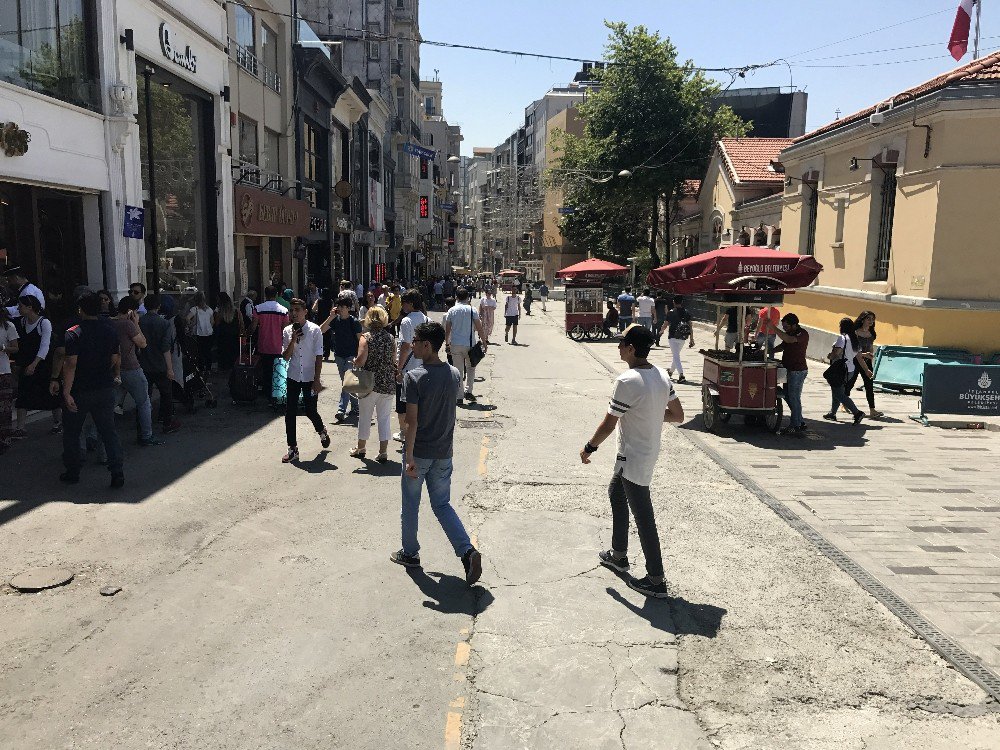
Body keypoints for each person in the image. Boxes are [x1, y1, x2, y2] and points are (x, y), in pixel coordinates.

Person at [580, 324, 684, 599]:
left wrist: (589, 447)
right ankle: (619, 554)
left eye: (622, 343)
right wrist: (647, 414)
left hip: (634, 457)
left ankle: (656, 579)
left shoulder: (627, 381)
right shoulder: (661, 375)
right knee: (616, 493)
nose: (618, 347)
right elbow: (677, 414)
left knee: (644, 517)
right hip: (645, 452)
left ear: (632, 349)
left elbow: (608, 424)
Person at [392, 321, 483, 585]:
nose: (413, 346)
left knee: (410, 504)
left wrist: (408, 456)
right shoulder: (454, 373)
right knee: (442, 505)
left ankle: (410, 553)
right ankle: (467, 551)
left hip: (419, 452)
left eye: (417, 341)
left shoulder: (414, 377)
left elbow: (411, 421)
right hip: (444, 451)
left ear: (427, 346)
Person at [59, 293, 125, 487]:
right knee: (108, 430)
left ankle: (73, 470)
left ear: (81, 309)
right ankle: (117, 471)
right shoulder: (109, 330)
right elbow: (115, 357)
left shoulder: (73, 332)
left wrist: (66, 391)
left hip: (80, 388)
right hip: (104, 386)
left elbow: (71, 363)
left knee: (72, 432)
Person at [280, 298, 330, 463]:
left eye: (297, 310)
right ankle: (292, 448)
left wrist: (317, 380)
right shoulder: (287, 331)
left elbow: (318, 356)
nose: (294, 314)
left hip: (309, 377)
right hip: (293, 375)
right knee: (290, 412)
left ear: (305, 312)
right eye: (292, 310)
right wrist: (293, 340)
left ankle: (321, 430)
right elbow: (285, 357)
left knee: (310, 410)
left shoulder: (315, 330)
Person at [111, 296, 160, 446]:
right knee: (144, 402)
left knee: (109, 405)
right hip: (131, 368)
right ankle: (146, 435)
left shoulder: (110, 323)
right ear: (132, 311)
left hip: (114, 369)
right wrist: (136, 323)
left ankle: (93, 435)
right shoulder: (127, 324)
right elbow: (143, 343)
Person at [350, 306, 396, 463]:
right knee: (384, 418)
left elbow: (361, 360)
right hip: (387, 382)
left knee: (364, 417)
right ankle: (383, 452)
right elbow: (393, 360)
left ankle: (361, 448)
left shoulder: (366, 337)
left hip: (369, 382)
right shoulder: (390, 338)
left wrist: (355, 362)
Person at [12, 295, 61, 436]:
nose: (18, 309)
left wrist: (35, 363)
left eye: (21, 306)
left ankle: (57, 422)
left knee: (50, 393)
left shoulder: (44, 323)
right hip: (26, 362)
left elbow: (45, 345)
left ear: (30, 307)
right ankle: (20, 428)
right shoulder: (21, 322)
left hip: (43, 363)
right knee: (23, 394)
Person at [138, 294, 181, 434]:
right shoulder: (164, 323)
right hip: (160, 365)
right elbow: (165, 348)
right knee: (166, 394)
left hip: (144, 364)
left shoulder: (140, 322)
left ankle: (144, 425)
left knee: (145, 397)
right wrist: (170, 368)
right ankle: (167, 422)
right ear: (159, 306)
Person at [445, 288, 488, 404]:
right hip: (470, 345)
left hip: (455, 345)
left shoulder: (452, 310)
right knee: (471, 368)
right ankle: (468, 390)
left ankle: (459, 397)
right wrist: (484, 342)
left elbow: (447, 329)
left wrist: (447, 343)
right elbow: (479, 327)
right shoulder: (472, 310)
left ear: (456, 297)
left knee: (458, 371)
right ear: (468, 298)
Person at [395, 290, 428, 442]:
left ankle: (404, 433)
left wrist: (399, 367)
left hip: (408, 369)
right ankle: (418, 431)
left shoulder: (406, 321)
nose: (402, 305)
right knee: (419, 402)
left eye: (404, 302)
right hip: (423, 367)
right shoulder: (426, 320)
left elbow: (406, 346)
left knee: (403, 403)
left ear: (411, 303)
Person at [824, 317, 870, 425]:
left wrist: (830, 355)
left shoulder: (842, 338)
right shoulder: (855, 339)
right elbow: (859, 357)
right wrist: (866, 370)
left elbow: (836, 353)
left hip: (840, 369)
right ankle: (832, 413)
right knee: (837, 390)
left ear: (842, 327)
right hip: (850, 370)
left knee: (839, 393)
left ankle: (857, 413)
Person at [773, 313, 810, 435]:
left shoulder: (802, 334)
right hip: (788, 369)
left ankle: (795, 425)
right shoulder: (789, 333)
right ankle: (800, 421)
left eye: (786, 326)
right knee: (788, 396)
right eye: (783, 326)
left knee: (794, 398)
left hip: (797, 371)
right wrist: (767, 351)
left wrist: (772, 328)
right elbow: (782, 346)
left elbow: (789, 340)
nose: (784, 329)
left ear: (794, 325)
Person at [251, 286, 289, 402]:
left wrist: (247, 334)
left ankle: (267, 392)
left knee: (266, 370)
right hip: (278, 346)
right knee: (277, 371)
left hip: (263, 345)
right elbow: (286, 329)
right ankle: (276, 393)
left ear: (265, 294)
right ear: (276, 294)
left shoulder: (258, 308)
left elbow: (253, 326)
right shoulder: (283, 310)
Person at [330, 298, 363, 422]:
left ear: (349, 308)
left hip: (351, 356)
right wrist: (330, 316)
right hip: (339, 356)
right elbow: (321, 330)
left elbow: (361, 340)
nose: (340, 309)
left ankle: (341, 410)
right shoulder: (335, 320)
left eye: (343, 307)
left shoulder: (354, 322)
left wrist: (359, 357)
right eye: (339, 306)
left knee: (346, 383)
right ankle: (355, 407)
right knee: (349, 383)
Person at [845, 311, 882, 419]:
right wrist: (866, 366)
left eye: (872, 319)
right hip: (855, 361)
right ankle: (845, 403)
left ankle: (872, 409)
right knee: (850, 383)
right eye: (868, 318)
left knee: (869, 385)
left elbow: (870, 346)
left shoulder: (871, 333)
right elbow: (856, 352)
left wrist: (870, 357)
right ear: (862, 319)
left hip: (866, 361)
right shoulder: (855, 333)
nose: (871, 321)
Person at [662, 296, 695, 383]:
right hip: (683, 338)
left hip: (672, 337)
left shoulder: (671, 312)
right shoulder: (686, 312)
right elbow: (690, 326)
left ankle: (681, 375)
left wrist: (661, 331)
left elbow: (665, 324)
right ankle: (670, 372)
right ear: (682, 302)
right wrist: (691, 339)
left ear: (673, 302)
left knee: (676, 356)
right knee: (676, 355)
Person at [0, 305, 18, 453]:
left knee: (5, 407)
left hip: (3, 371)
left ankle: (5, 437)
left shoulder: (8, 326)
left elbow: (15, 347)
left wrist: (3, 348)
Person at [187, 291, 215, 373]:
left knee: (199, 352)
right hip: (209, 333)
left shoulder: (194, 309)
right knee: (208, 351)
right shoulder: (210, 309)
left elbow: (187, 318)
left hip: (199, 333)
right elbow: (212, 322)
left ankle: (201, 368)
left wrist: (190, 326)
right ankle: (208, 368)